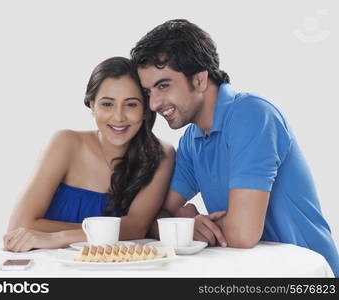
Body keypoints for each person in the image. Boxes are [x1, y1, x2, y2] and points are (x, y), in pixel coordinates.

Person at [130, 19, 339, 276]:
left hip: (305, 274)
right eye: (148, 91)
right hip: (251, 273)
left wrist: (186, 227)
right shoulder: (192, 139)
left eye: (163, 86)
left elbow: (243, 233)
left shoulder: (252, 115)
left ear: (199, 79)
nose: (153, 104)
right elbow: (155, 214)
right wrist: (187, 224)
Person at [3, 57, 174, 253]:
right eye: (107, 104)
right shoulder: (65, 143)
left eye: (131, 105)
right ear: (92, 105)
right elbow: (19, 226)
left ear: (145, 109)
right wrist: (109, 232)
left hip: (116, 270)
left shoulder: (161, 154)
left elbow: (136, 227)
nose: (118, 117)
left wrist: (58, 237)